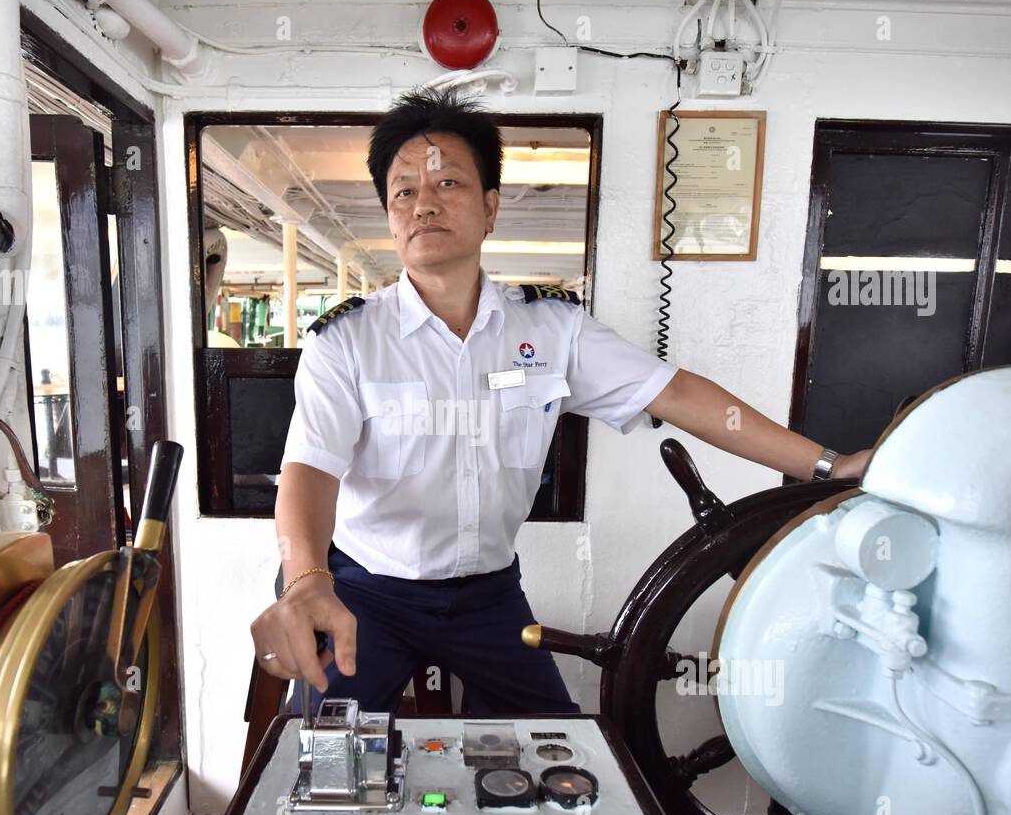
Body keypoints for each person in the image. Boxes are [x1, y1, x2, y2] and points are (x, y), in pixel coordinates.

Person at [249, 86, 871, 717]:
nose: (423, 205)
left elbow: (676, 393)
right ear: (388, 215)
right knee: (316, 754)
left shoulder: (551, 331)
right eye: (404, 191)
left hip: (486, 598)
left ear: (491, 208)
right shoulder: (347, 342)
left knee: (559, 757)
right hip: (366, 590)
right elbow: (310, 471)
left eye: (448, 185)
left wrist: (825, 466)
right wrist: (305, 579)